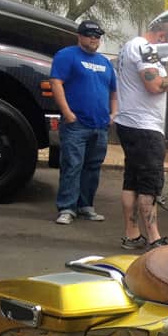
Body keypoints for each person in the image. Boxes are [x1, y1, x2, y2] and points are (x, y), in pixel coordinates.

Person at [113, 20, 168, 250]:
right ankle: (154, 237)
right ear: (161, 38)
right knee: (149, 184)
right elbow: (154, 85)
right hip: (145, 126)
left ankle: (132, 234)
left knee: (132, 181)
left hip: (129, 122)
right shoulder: (146, 48)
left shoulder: (130, 47)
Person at [49, 19, 117, 225]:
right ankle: (67, 208)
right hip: (76, 124)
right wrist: (67, 112)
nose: (94, 39)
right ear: (80, 36)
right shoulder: (66, 55)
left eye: (97, 36)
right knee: (72, 165)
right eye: (90, 35)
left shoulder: (105, 63)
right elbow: (56, 82)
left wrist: (114, 113)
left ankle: (86, 206)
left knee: (93, 167)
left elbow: (114, 91)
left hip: (100, 125)